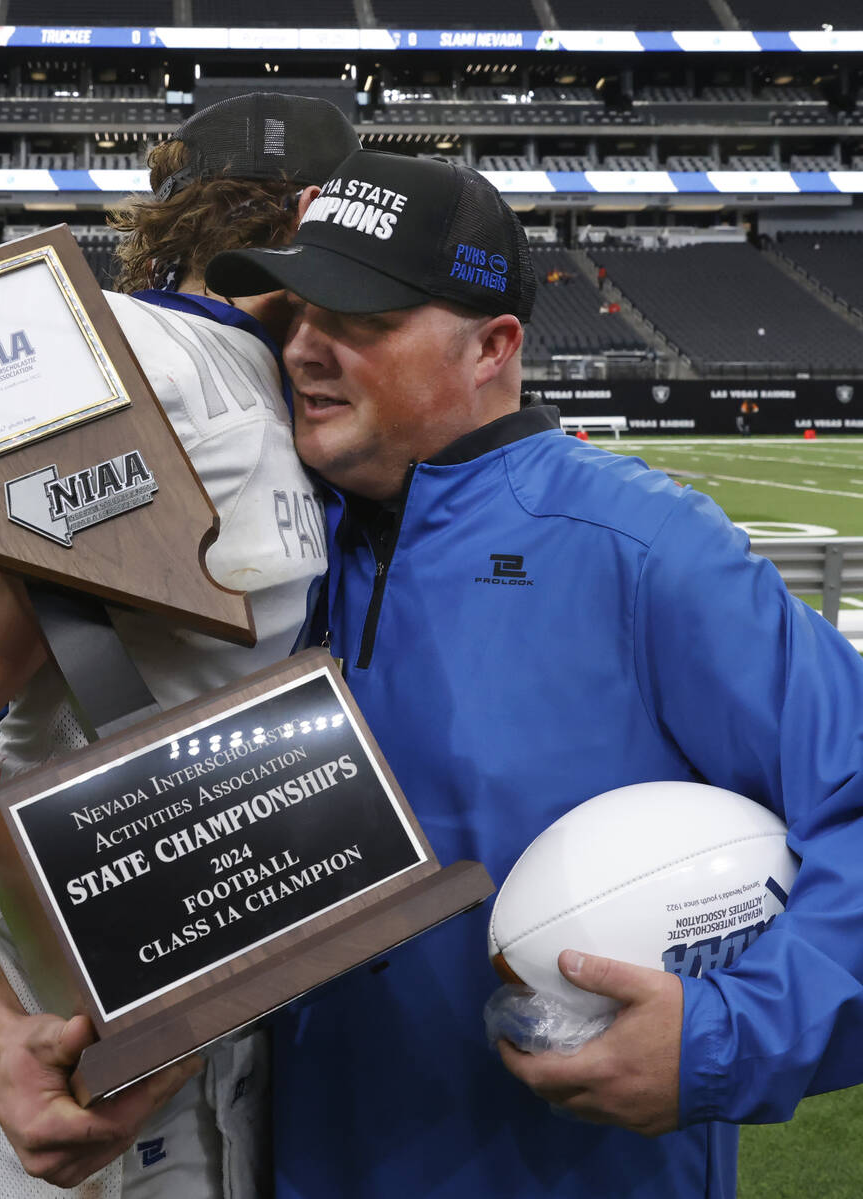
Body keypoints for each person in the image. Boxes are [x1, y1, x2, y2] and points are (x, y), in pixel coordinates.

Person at [207, 149, 863, 1197]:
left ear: (494, 346)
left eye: (361, 319)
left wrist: (729, 1033)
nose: (307, 349)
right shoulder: (279, 540)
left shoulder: (644, 546)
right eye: (297, 314)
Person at [0, 92, 359, 1199]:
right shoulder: (139, 371)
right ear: (320, 211)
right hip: (86, 1035)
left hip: (224, 985)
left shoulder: (289, 378)